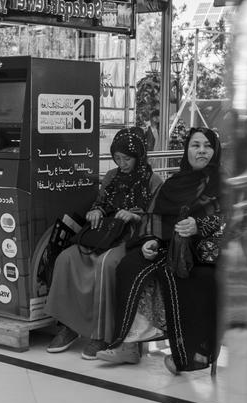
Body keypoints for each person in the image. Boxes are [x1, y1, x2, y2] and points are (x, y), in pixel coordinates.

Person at [97, 128, 223, 373]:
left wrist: (199, 225)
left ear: (215, 150)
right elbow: (156, 218)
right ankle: (128, 344)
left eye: (207, 146)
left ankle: (189, 354)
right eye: (195, 145)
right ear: (186, 150)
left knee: (191, 277)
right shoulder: (176, 182)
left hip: (207, 252)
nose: (201, 151)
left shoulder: (223, 182)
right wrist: (150, 240)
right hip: (171, 247)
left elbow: (229, 218)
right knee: (130, 265)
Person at [45, 127, 162, 360]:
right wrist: (96, 212)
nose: (122, 164)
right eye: (117, 159)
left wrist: (135, 216)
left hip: (133, 239)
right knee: (66, 258)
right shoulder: (111, 176)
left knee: (106, 265)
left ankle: (102, 335)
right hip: (105, 235)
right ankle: (69, 326)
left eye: (127, 159)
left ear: (139, 156)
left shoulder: (153, 180)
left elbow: (157, 218)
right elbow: (100, 203)